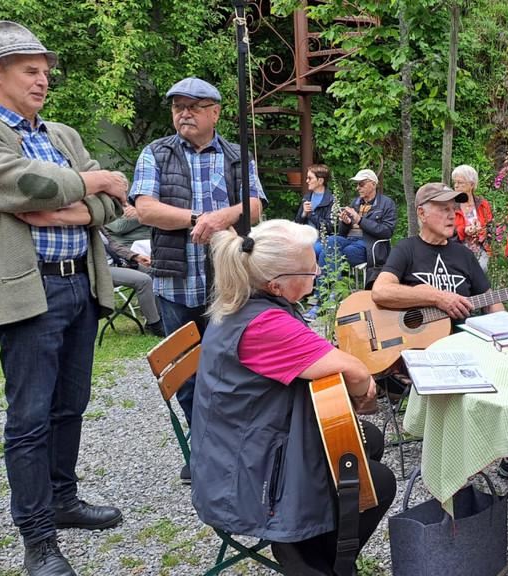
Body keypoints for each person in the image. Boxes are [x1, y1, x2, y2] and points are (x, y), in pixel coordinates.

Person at [0, 21, 126, 576]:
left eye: (45, 70)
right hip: (30, 291)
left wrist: (75, 200)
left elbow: (115, 204)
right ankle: (38, 540)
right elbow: (29, 187)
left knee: (71, 405)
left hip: (82, 283)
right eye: (30, 70)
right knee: (29, 419)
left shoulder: (64, 136)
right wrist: (91, 185)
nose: (43, 79)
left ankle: (64, 500)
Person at [190, 222, 395, 575]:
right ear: (277, 284)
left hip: (242, 445)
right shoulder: (265, 325)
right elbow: (357, 373)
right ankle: (311, 556)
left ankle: (318, 535)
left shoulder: (245, 301)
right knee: (379, 481)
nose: (318, 270)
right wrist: (364, 398)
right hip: (246, 479)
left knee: (366, 440)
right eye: (310, 267)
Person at [129, 77, 267, 479]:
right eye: (177, 107)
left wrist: (221, 218)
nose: (183, 113)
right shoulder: (156, 153)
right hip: (176, 283)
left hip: (229, 283)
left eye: (193, 106)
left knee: (235, 367)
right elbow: (147, 209)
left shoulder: (238, 155)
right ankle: (202, 446)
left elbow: (255, 206)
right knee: (187, 374)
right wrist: (196, 219)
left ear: (215, 112)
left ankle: (237, 445)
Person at [372, 183, 508, 490]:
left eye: (454, 209)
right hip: (424, 353)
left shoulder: (464, 255)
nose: (451, 214)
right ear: (422, 213)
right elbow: (380, 290)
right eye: (443, 209)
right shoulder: (407, 249)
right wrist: (434, 296)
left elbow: (491, 300)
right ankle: (454, 465)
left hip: (468, 346)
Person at [309, 168, 397, 318]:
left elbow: (386, 231)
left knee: (327, 251)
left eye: (361, 184)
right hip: (349, 241)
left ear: (373, 184)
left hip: (368, 246)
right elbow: (342, 233)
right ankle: (334, 292)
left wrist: (360, 220)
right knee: (330, 241)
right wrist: (346, 222)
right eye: (357, 184)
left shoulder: (386, 204)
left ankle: (322, 302)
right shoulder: (355, 202)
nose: (358, 188)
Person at [101, 228, 164, 337]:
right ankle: (156, 326)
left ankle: (155, 319)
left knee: (154, 272)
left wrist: (135, 256)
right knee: (144, 281)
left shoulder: (97, 224)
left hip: (117, 263)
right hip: (102, 270)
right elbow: (120, 225)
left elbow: (113, 244)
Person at [451, 164, 494, 271]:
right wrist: (464, 230)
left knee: (481, 267)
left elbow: (491, 230)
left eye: (460, 182)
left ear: (471, 185)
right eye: (454, 182)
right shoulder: (449, 205)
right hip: (455, 247)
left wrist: (480, 232)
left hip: (479, 247)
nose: (456, 186)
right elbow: (443, 231)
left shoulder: (483, 205)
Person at [293, 163, 336, 263]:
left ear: (320, 181)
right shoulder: (307, 198)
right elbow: (296, 225)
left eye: (310, 178)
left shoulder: (331, 200)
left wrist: (311, 214)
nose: (307, 181)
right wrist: (303, 214)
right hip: (305, 240)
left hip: (322, 241)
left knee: (305, 254)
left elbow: (329, 228)